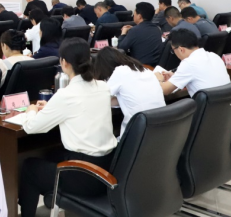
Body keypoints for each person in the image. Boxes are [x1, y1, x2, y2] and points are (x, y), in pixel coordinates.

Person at [19, 38, 116, 217]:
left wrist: (31, 111)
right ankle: (53, 195)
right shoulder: (103, 87)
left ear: (64, 63)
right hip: (107, 168)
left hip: (84, 175)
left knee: (29, 167)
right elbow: (81, 108)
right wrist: (52, 108)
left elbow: (31, 127)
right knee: (50, 154)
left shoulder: (66, 94)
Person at [95, 47, 165, 139]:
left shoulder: (120, 71)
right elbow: (130, 97)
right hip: (159, 132)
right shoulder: (144, 69)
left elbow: (99, 96)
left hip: (137, 135)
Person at [154, 30, 230, 97]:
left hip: (208, 107)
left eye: (173, 50)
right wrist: (175, 77)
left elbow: (165, 90)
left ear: (181, 50)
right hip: (227, 105)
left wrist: (159, 79)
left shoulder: (188, 63)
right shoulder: (214, 56)